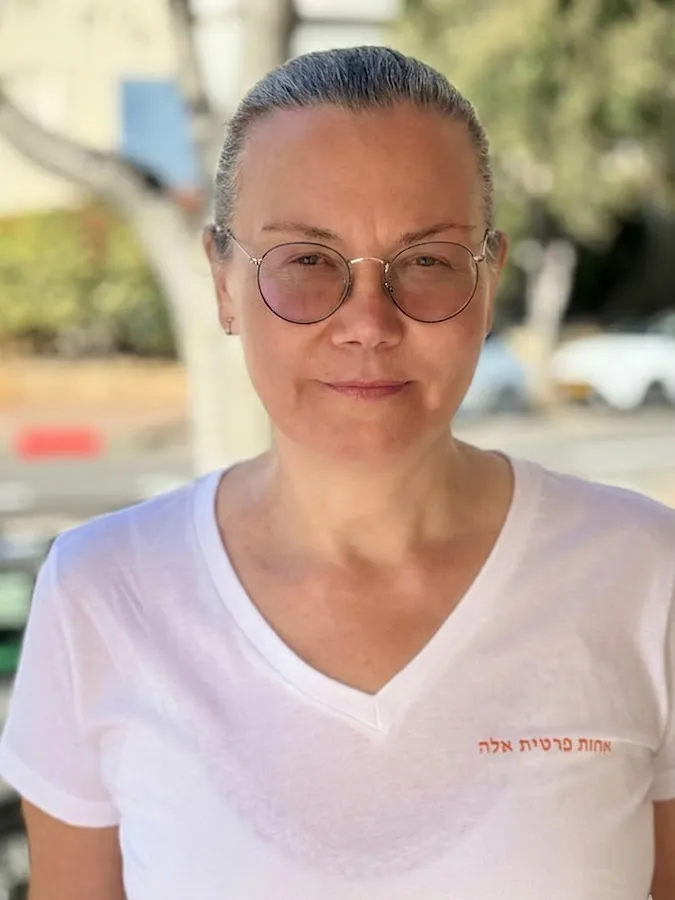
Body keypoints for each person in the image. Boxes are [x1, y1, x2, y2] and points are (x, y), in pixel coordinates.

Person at [0, 46, 673, 900]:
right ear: (223, 283)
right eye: (307, 261)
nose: (367, 324)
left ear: (489, 277)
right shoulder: (102, 593)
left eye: (425, 261)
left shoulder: (643, 573)